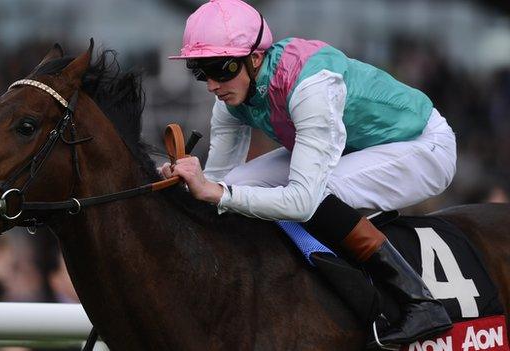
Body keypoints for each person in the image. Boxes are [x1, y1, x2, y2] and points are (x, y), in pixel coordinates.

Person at [162, 0, 456, 347]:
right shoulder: (230, 95)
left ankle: (419, 301)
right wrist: (189, 183)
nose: (212, 84)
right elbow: (216, 186)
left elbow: (302, 201)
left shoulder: (312, 85)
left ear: (254, 58)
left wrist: (216, 192)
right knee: (233, 188)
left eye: (220, 69)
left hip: (422, 145)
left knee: (314, 195)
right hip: (354, 149)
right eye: (201, 72)